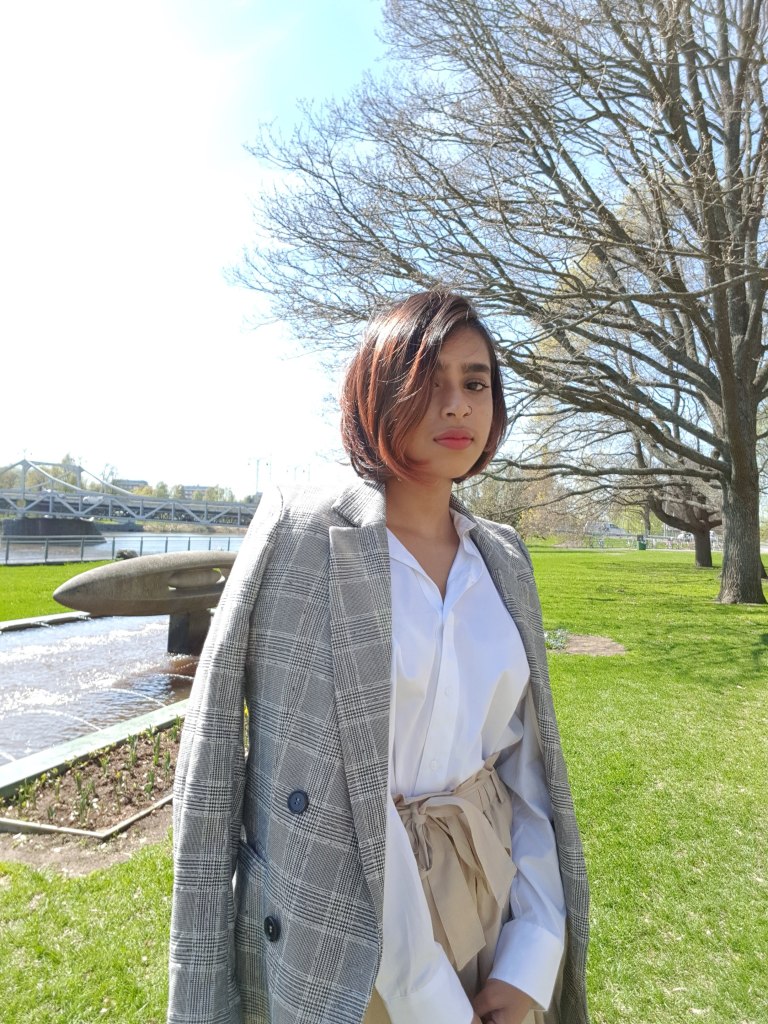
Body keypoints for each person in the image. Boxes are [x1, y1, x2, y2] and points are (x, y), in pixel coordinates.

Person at [168, 291, 589, 1024]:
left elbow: (525, 771)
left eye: (476, 381)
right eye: (429, 379)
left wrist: (535, 951)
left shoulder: (503, 559)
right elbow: (213, 763)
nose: (457, 404)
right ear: (377, 389)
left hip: (493, 914)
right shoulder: (301, 533)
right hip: (343, 940)